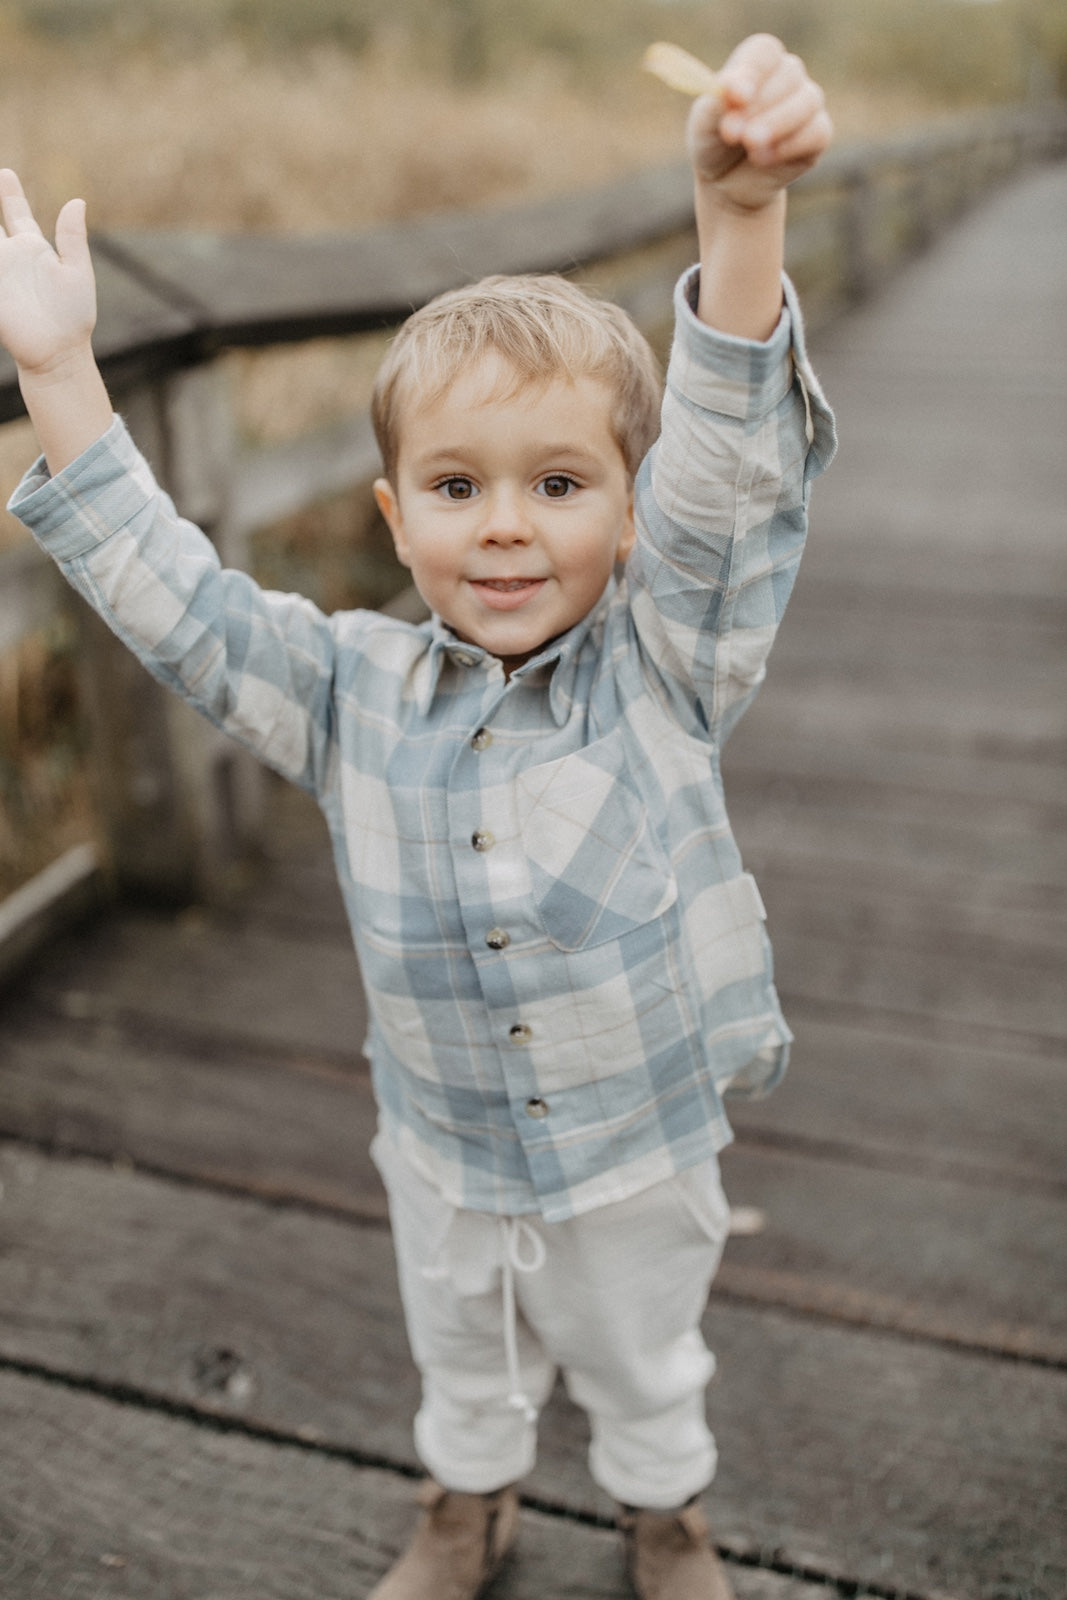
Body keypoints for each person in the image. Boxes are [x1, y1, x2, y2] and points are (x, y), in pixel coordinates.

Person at [0, 32, 834, 1600]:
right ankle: (471, 1502)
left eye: (561, 485)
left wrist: (739, 223)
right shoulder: (349, 690)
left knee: (644, 1349)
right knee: (462, 1342)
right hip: (442, 1141)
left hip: (634, 1139)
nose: (506, 525)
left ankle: (667, 1513)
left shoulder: (670, 661)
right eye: (456, 487)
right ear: (395, 514)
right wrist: (57, 374)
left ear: (629, 509)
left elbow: (733, 479)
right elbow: (178, 604)